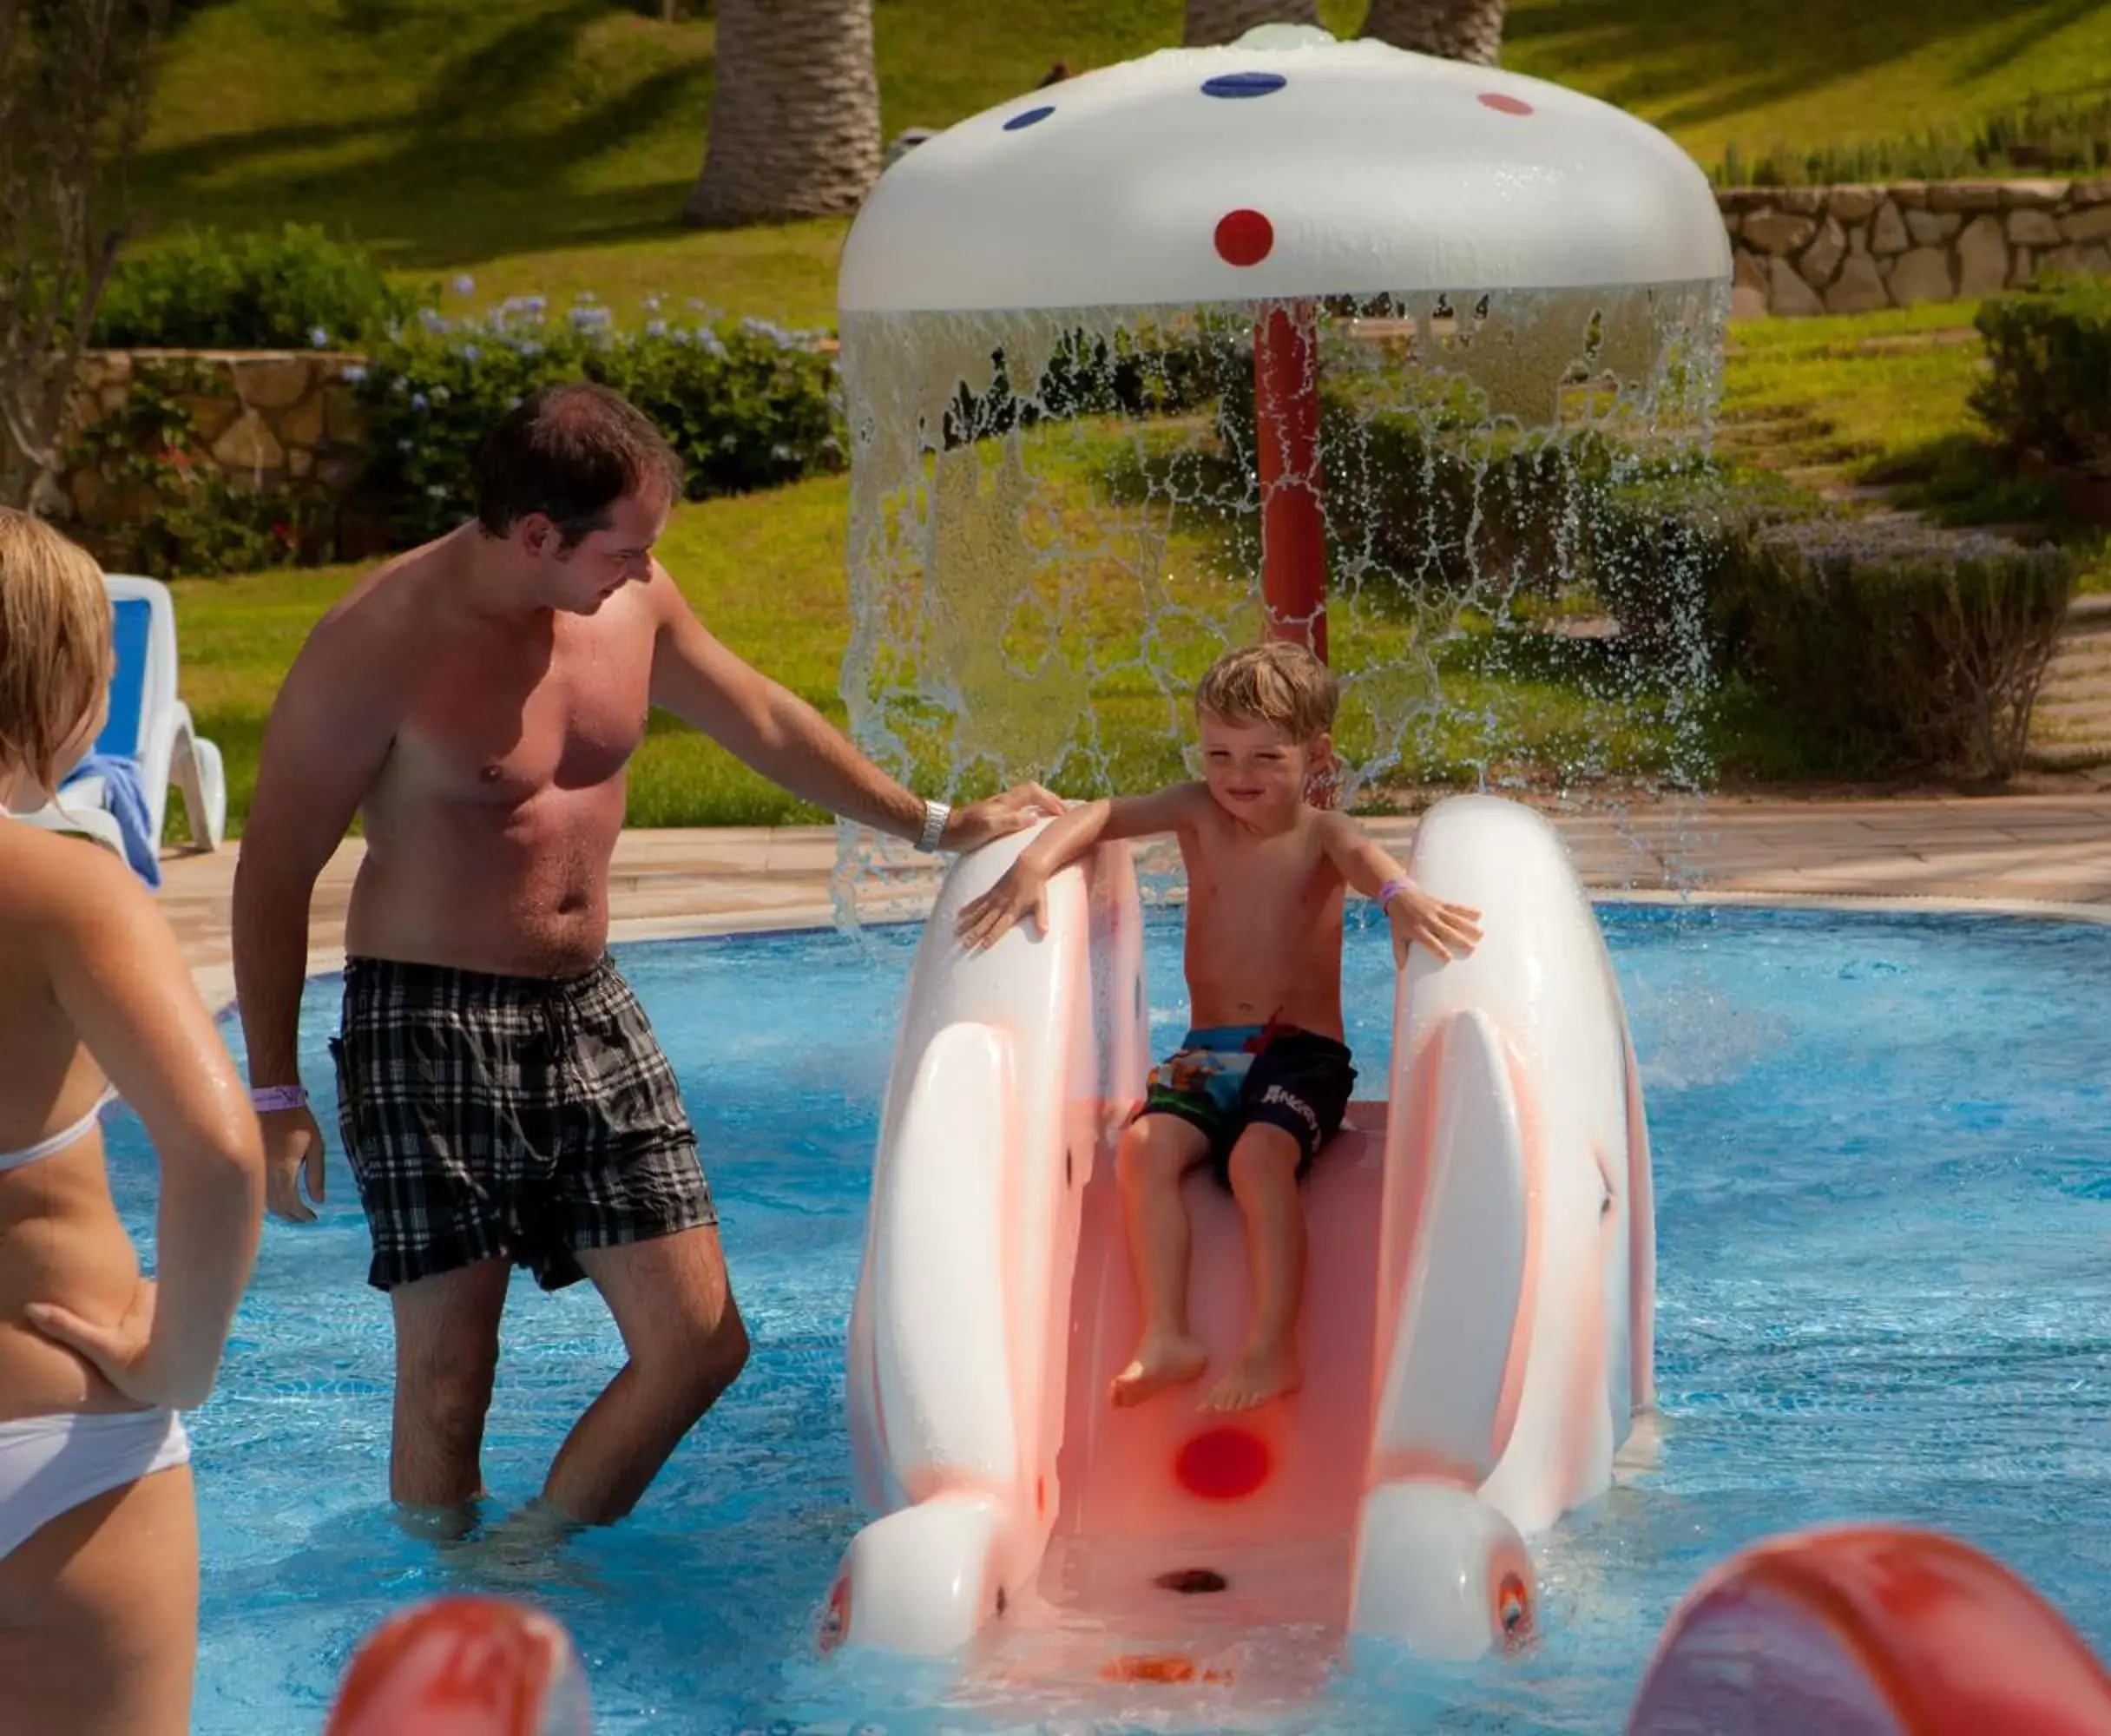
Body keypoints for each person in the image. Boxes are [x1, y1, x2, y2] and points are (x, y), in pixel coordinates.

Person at [231, 382, 1059, 1535]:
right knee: (449, 1375)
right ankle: (439, 1614)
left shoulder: (628, 598)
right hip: (428, 1022)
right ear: (535, 536)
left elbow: (759, 718)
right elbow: (274, 869)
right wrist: (273, 1090)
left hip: (590, 1004)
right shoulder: (377, 646)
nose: (644, 569)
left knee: (698, 1345)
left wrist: (931, 821)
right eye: (623, 548)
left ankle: (529, 1557)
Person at [957, 641, 1480, 1412]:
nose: (1238, 774)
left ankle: (1274, 1346)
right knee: (1145, 1149)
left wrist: (1401, 894)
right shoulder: (1197, 812)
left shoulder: (1321, 832)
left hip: (1301, 1056)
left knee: (1258, 1162)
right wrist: (1035, 864)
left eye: (1267, 756)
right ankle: (1168, 1333)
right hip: (1207, 1052)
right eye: (1218, 752)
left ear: (1317, 754)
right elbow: (1101, 816)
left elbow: (1369, 862)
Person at [0, 508, 266, 1733]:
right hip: (51, 1449)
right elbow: (216, 1150)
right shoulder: (63, 891)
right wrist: (181, 1359)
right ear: (49, 679)